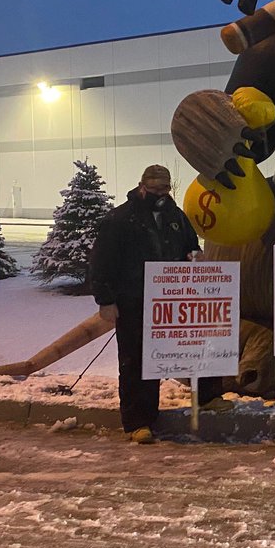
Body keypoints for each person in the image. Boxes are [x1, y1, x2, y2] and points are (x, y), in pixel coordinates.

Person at [89, 165, 227, 443]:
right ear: (142, 186)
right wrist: (106, 300)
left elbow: (191, 246)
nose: (161, 194)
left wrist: (195, 257)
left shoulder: (175, 216)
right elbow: (102, 262)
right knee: (136, 361)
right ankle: (138, 422)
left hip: (174, 301)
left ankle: (208, 395)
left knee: (195, 345)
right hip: (134, 301)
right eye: (155, 189)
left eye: (165, 188)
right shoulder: (120, 220)